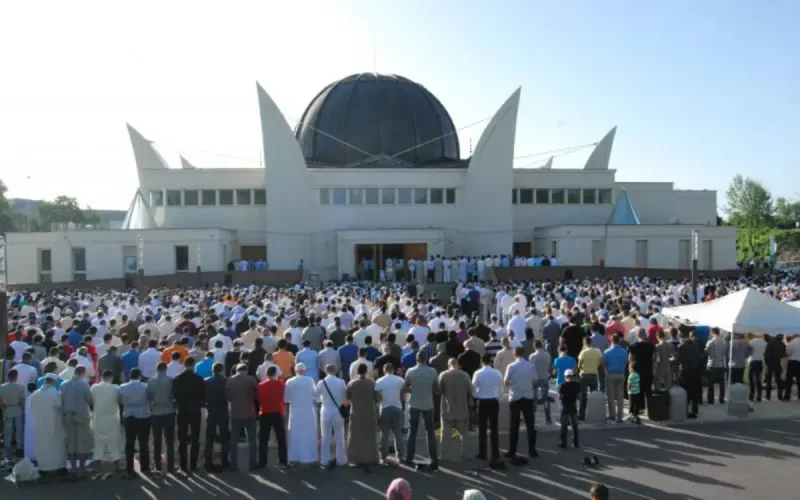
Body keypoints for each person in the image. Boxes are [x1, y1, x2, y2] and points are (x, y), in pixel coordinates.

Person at [404, 351, 439, 470]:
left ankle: (409, 457)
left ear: (416, 359)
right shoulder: (432, 371)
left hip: (414, 404)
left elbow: (406, 387)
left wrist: (413, 389)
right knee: (430, 432)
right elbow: (436, 387)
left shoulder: (410, 371)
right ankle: (433, 458)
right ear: (426, 359)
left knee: (412, 431)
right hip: (428, 404)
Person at [504, 346, 538, 463]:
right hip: (528, 396)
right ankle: (532, 450)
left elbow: (506, 382)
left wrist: (513, 383)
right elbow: (534, 379)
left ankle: (512, 450)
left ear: (514, 354)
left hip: (515, 397)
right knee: (530, 425)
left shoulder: (511, 366)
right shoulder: (531, 366)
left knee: (514, 425)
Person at [29, 373, 67, 474]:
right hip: (54, 425)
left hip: (39, 425)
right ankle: (59, 467)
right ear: (54, 381)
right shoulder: (56, 394)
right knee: (56, 445)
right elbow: (60, 409)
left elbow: (31, 409)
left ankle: (43, 467)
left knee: (42, 445)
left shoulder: (35, 394)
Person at [173, 356, 205, 472]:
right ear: (193, 365)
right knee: (195, 438)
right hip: (195, 410)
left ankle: (183, 465)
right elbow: (203, 396)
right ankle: (193, 465)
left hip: (182, 410)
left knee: (182, 438)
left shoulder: (177, 378)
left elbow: (174, 395)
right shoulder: (199, 379)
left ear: (184, 364)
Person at [472, 353, 504, 469]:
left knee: (482, 428)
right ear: (491, 361)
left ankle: (482, 453)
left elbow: (473, 388)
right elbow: (501, 387)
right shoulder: (497, 373)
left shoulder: (478, 373)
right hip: (493, 401)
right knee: (494, 428)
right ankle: (495, 453)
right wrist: (497, 395)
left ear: (481, 362)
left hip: (482, 401)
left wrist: (477, 396)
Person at [60, 365, 94, 477]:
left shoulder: (63, 384)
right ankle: (81, 469)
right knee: (82, 442)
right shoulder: (84, 384)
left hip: (67, 415)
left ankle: (73, 468)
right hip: (81, 415)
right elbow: (89, 399)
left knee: (71, 442)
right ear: (83, 373)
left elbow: (61, 401)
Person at [118, 368, 151, 479]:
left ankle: (129, 467)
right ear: (139, 376)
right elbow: (150, 399)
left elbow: (120, 401)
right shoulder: (145, 386)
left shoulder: (122, 387)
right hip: (143, 416)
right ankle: (145, 466)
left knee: (129, 442)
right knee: (143, 442)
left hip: (129, 416)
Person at [284, 362, 319, 465]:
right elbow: (315, 395)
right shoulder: (310, 380)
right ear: (305, 371)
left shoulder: (290, 381)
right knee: (309, 434)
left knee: (295, 434)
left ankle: (294, 458)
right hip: (308, 411)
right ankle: (310, 458)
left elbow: (286, 398)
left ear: (295, 371)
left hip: (295, 412)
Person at [347, 362, 379, 470]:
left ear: (357, 371)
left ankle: (354, 458)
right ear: (366, 371)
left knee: (355, 436)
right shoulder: (372, 383)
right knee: (370, 435)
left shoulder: (352, 383)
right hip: (369, 411)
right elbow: (376, 398)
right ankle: (372, 458)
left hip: (356, 412)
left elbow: (348, 397)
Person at [227, 363, 258, 471]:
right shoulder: (251, 379)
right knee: (252, 440)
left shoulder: (229, 380)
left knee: (234, 440)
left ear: (237, 370)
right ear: (246, 370)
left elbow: (228, 397)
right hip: (249, 412)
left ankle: (233, 465)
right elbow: (256, 395)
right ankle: (252, 464)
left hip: (235, 413)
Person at [91, 370, 123, 473]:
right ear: (111, 378)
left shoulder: (94, 387)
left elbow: (91, 400)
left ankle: (97, 460)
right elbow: (120, 400)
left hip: (98, 417)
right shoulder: (115, 388)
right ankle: (116, 460)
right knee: (113, 440)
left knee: (98, 441)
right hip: (112, 417)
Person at [147, 362, 176, 473]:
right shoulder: (170, 380)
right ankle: (171, 465)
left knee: (157, 439)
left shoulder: (150, 381)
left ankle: (157, 465)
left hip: (156, 412)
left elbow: (149, 397)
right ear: (165, 369)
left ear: (156, 369)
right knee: (170, 440)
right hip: (169, 411)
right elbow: (172, 395)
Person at [317, 363, 348, 468]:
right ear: (335, 371)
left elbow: (316, 397)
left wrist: (323, 399)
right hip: (338, 410)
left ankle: (324, 460)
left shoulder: (321, 382)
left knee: (325, 437)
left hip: (325, 410)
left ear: (325, 371)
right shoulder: (341, 382)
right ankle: (341, 460)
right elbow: (345, 397)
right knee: (340, 436)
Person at [375, 362, 406, 464]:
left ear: (384, 370)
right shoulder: (400, 380)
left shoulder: (379, 381)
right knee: (398, 434)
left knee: (384, 434)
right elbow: (403, 395)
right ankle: (400, 456)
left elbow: (377, 398)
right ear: (393, 370)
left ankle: (383, 456)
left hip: (385, 408)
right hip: (397, 408)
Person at [257, 365, 288, 468]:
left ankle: (262, 462)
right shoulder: (282, 384)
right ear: (276, 374)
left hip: (264, 413)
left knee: (263, 439)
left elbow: (258, 398)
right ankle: (283, 461)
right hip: (277, 412)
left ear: (266, 374)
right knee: (281, 439)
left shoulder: (260, 385)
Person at [204, 362, 230, 471]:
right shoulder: (226, 381)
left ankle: (208, 462)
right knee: (224, 438)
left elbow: (203, 396)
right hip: (223, 411)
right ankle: (225, 461)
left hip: (211, 411)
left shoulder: (206, 381)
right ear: (222, 370)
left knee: (209, 438)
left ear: (212, 370)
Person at [0, 369, 25, 459]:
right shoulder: (20, 387)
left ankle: (8, 455)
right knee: (19, 432)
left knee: (7, 433)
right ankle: (19, 452)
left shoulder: (2, 387)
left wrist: (2, 408)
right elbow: (22, 401)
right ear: (16, 377)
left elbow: (0, 400)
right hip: (18, 410)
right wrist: (24, 411)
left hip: (7, 411)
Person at [603, 335, 627, 423]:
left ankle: (612, 415)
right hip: (621, 374)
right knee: (620, 396)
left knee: (611, 396)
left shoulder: (607, 352)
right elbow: (625, 362)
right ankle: (620, 417)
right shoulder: (624, 351)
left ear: (611, 340)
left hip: (610, 374)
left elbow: (604, 363)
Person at [577, 336, 602, 421]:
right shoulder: (598, 351)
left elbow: (579, 365)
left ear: (584, 343)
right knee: (593, 396)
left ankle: (582, 416)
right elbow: (600, 363)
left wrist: (583, 369)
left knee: (583, 396)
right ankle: (593, 414)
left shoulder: (583, 352)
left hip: (584, 375)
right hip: (594, 375)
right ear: (591, 342)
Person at [558, 369, 580, 449]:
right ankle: (576, 443)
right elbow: (579, 397)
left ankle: (563, 443)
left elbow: (560, 397)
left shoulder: (563, 385)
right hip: (573, 406)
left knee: (564, 425)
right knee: (575, 425)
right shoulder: (577, 385)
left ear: (565, 377)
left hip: (565, 406)